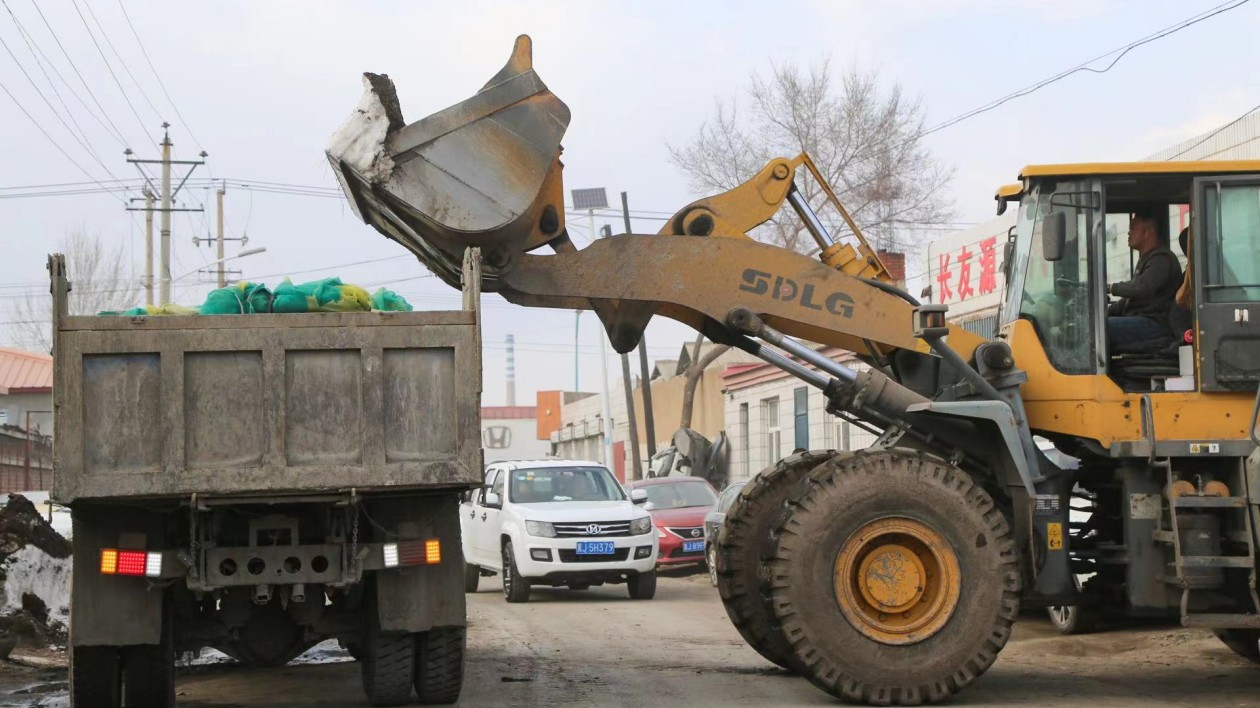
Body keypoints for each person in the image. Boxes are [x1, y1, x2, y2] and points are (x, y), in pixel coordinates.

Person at [1106, 209, 1183, 350]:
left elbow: (1141, 288)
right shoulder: (1148, 259)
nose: (1128, 233)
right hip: (1142, 320)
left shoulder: (1162, 259)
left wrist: (1111, 288)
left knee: (1100, 329)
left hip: (1155, 324)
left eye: (1132, 228)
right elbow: (1130, 300)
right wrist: (1105, 312)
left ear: (1148, 232)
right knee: (1098, 323)